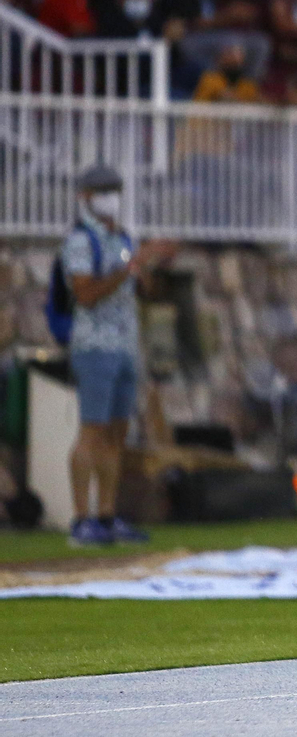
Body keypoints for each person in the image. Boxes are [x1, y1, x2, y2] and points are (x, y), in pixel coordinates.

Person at [59, 164, 177, 545]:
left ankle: (106, 516)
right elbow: (86, 294)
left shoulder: (123, 238)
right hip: (95, 345)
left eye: (114, 190)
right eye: (103, 191)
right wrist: (129, 268)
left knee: (116, 434)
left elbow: (140, 288)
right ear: (86, 197)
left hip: (125, 344)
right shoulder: (81, 241)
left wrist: (149, 268)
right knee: (91, 431)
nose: (110, 198)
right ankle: (81, 520)